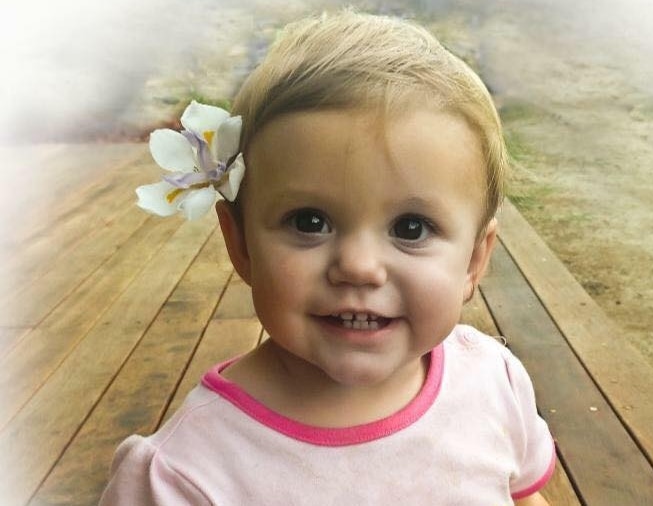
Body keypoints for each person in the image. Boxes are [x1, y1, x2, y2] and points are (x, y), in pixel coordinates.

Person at [101, 10, 555, 505]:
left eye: (411, 228)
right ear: (241, 245)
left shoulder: (492, 384)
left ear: (473, 261)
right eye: (309, 222)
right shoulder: (184, 476)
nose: (359, 266)